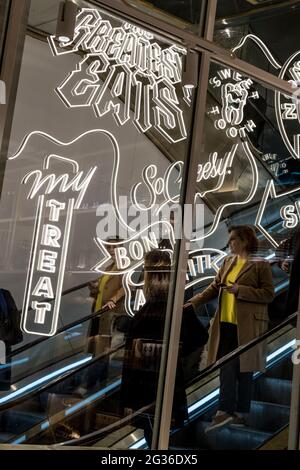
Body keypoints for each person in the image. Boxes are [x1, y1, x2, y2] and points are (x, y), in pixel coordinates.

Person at [185, 225, 274, 430]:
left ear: (245, 240)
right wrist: (192, 304)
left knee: (244, 370)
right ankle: (225, 411)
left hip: (247, 325)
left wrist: (239, 290)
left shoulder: (260, 264)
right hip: (225, 323)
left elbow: (268, 294)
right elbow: (214, 287)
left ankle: (239, 414)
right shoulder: (228, 261)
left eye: (233, 239)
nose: (230, 243)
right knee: (226, 366)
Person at [120, 249, 207, 447]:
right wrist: (176, 355)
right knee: (157, 436)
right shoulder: (173, 308)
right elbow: (200, 337)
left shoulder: (150, 310)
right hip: (165, 384)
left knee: (154, 438)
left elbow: (132, 357)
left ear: (149, 277)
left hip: (146, 386)